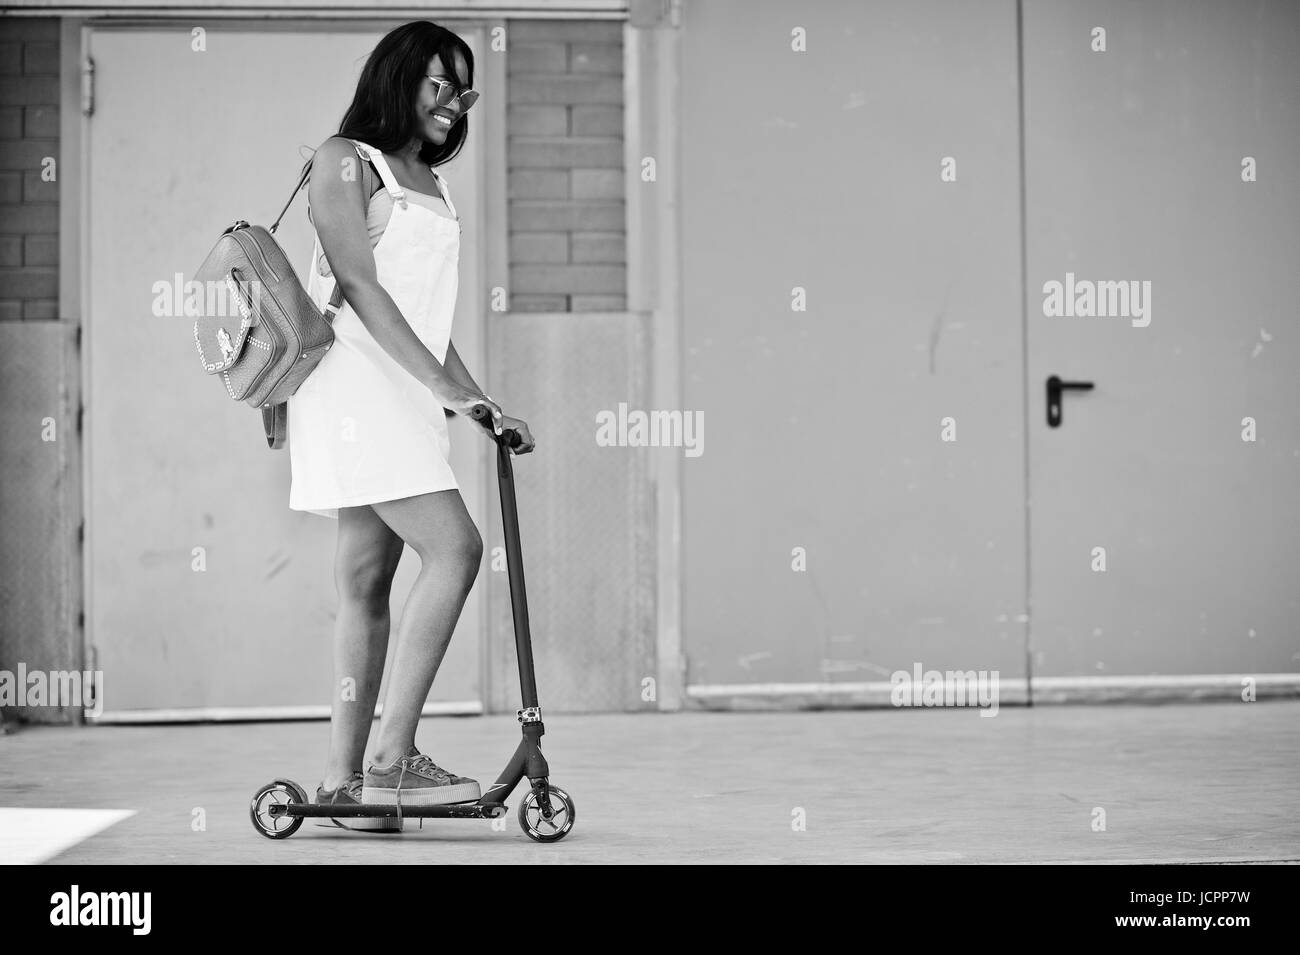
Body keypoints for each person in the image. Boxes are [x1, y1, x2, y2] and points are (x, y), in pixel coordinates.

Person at [286, 20, 535, 831]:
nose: (453, 105)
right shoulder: (341, 161)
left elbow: (426, 320)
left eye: (464, 92)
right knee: (457, 548)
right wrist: (440, 387)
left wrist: (475, 396)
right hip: (356, 390)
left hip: (406, 392)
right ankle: (392, 760)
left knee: (365, 585)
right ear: (398, 78)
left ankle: (342, 788)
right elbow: (358, 285)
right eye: (440, 85)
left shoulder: (430, 182)